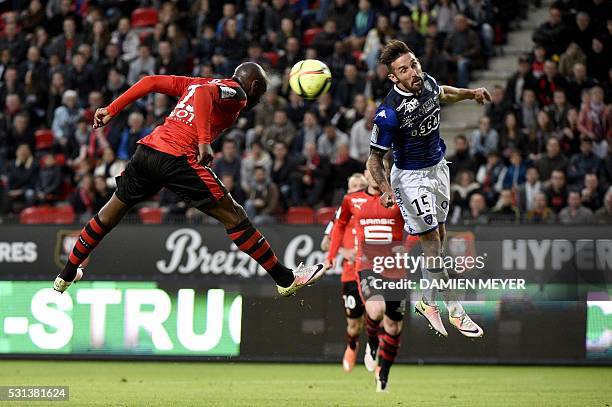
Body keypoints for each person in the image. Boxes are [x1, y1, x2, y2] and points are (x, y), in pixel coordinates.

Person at [53, 63, 327, 297]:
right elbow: (208, 95)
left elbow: (150, 82)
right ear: (254, 85)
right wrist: (205, 143)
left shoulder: (195, 83)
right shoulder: (239, 93)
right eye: (262, 91)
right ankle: (286, 279)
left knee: (108, 214)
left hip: (148, 151)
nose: (260, 97)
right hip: (178, 157)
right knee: (235, 216)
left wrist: (112, 109)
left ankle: (67, 273)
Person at [367, 40, 487, 338]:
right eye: (404, 70)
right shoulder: (389, 113)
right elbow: (374, 158)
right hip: (410, 179)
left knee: (440, 237)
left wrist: (471, 94)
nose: (413, 72)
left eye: (414, 64)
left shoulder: (428, 82)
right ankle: (456, 311)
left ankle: (427, 301)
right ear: (394, 77)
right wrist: (384, 189)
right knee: (431, 240)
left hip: (438, 169)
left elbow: (443, 93)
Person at [326, 169, 417, 392]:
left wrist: (405, 248)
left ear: (386, 174)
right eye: (371, 171)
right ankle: (371, 344)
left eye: (380, 171)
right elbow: (337, 226)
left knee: (394, 326)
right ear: (367, 174)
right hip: (367, 265)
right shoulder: (352, 200)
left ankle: (383, 374)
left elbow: (417, 225)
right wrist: (331, 256)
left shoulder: (398, 198)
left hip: (395, 269)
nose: (375, 175)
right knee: (375, 311)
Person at [321, 173, 368, 373]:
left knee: (382, 315)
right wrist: (342, 251)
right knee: (354, 323)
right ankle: (352, 345)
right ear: (348, 190)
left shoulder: (376, 207)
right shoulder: (342, 211)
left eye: (361, 185)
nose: (357, 188)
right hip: (350, 274)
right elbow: (325, 243)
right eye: (353, 185)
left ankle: (376, 353)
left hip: (376, 270)